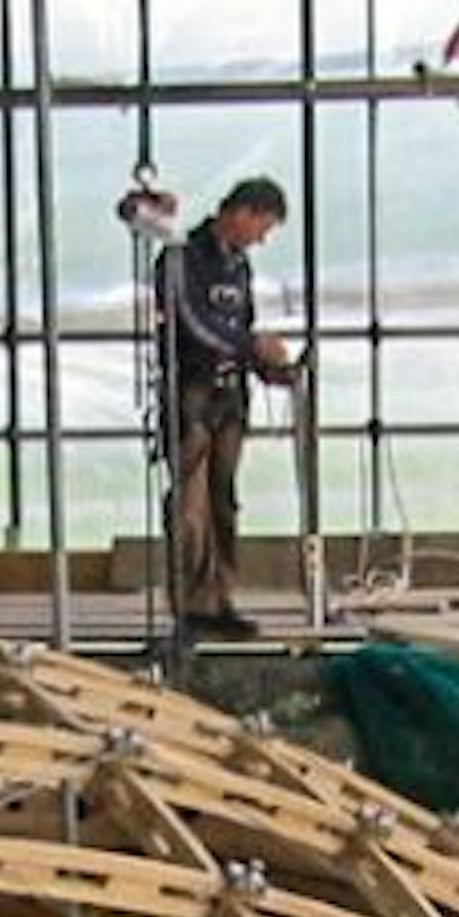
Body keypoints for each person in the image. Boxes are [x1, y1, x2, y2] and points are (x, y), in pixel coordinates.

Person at [156, 178, 297, 643]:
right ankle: (191, 605)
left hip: (229, 399)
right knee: (191, 505)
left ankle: (220, 598)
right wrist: (250, 344)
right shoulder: (180, 257)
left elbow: (240, 326)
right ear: (242, 213)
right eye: (262, 226)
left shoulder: (239, 267)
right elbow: (191, 323)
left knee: (223, 501)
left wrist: (268, 367)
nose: (261, 238)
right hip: (190, 395)